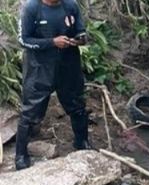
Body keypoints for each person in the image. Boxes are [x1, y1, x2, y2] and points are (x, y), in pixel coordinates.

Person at [15, 0, 91, 170]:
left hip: (68, 65)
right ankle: (20, 155)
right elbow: (23, 40)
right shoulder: (31, 8)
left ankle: (82, 142)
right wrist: (52, 42)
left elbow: (81, 31)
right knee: (30, 112)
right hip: (39, 68)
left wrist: (81, 39)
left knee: (77, 106)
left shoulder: (71, 5)